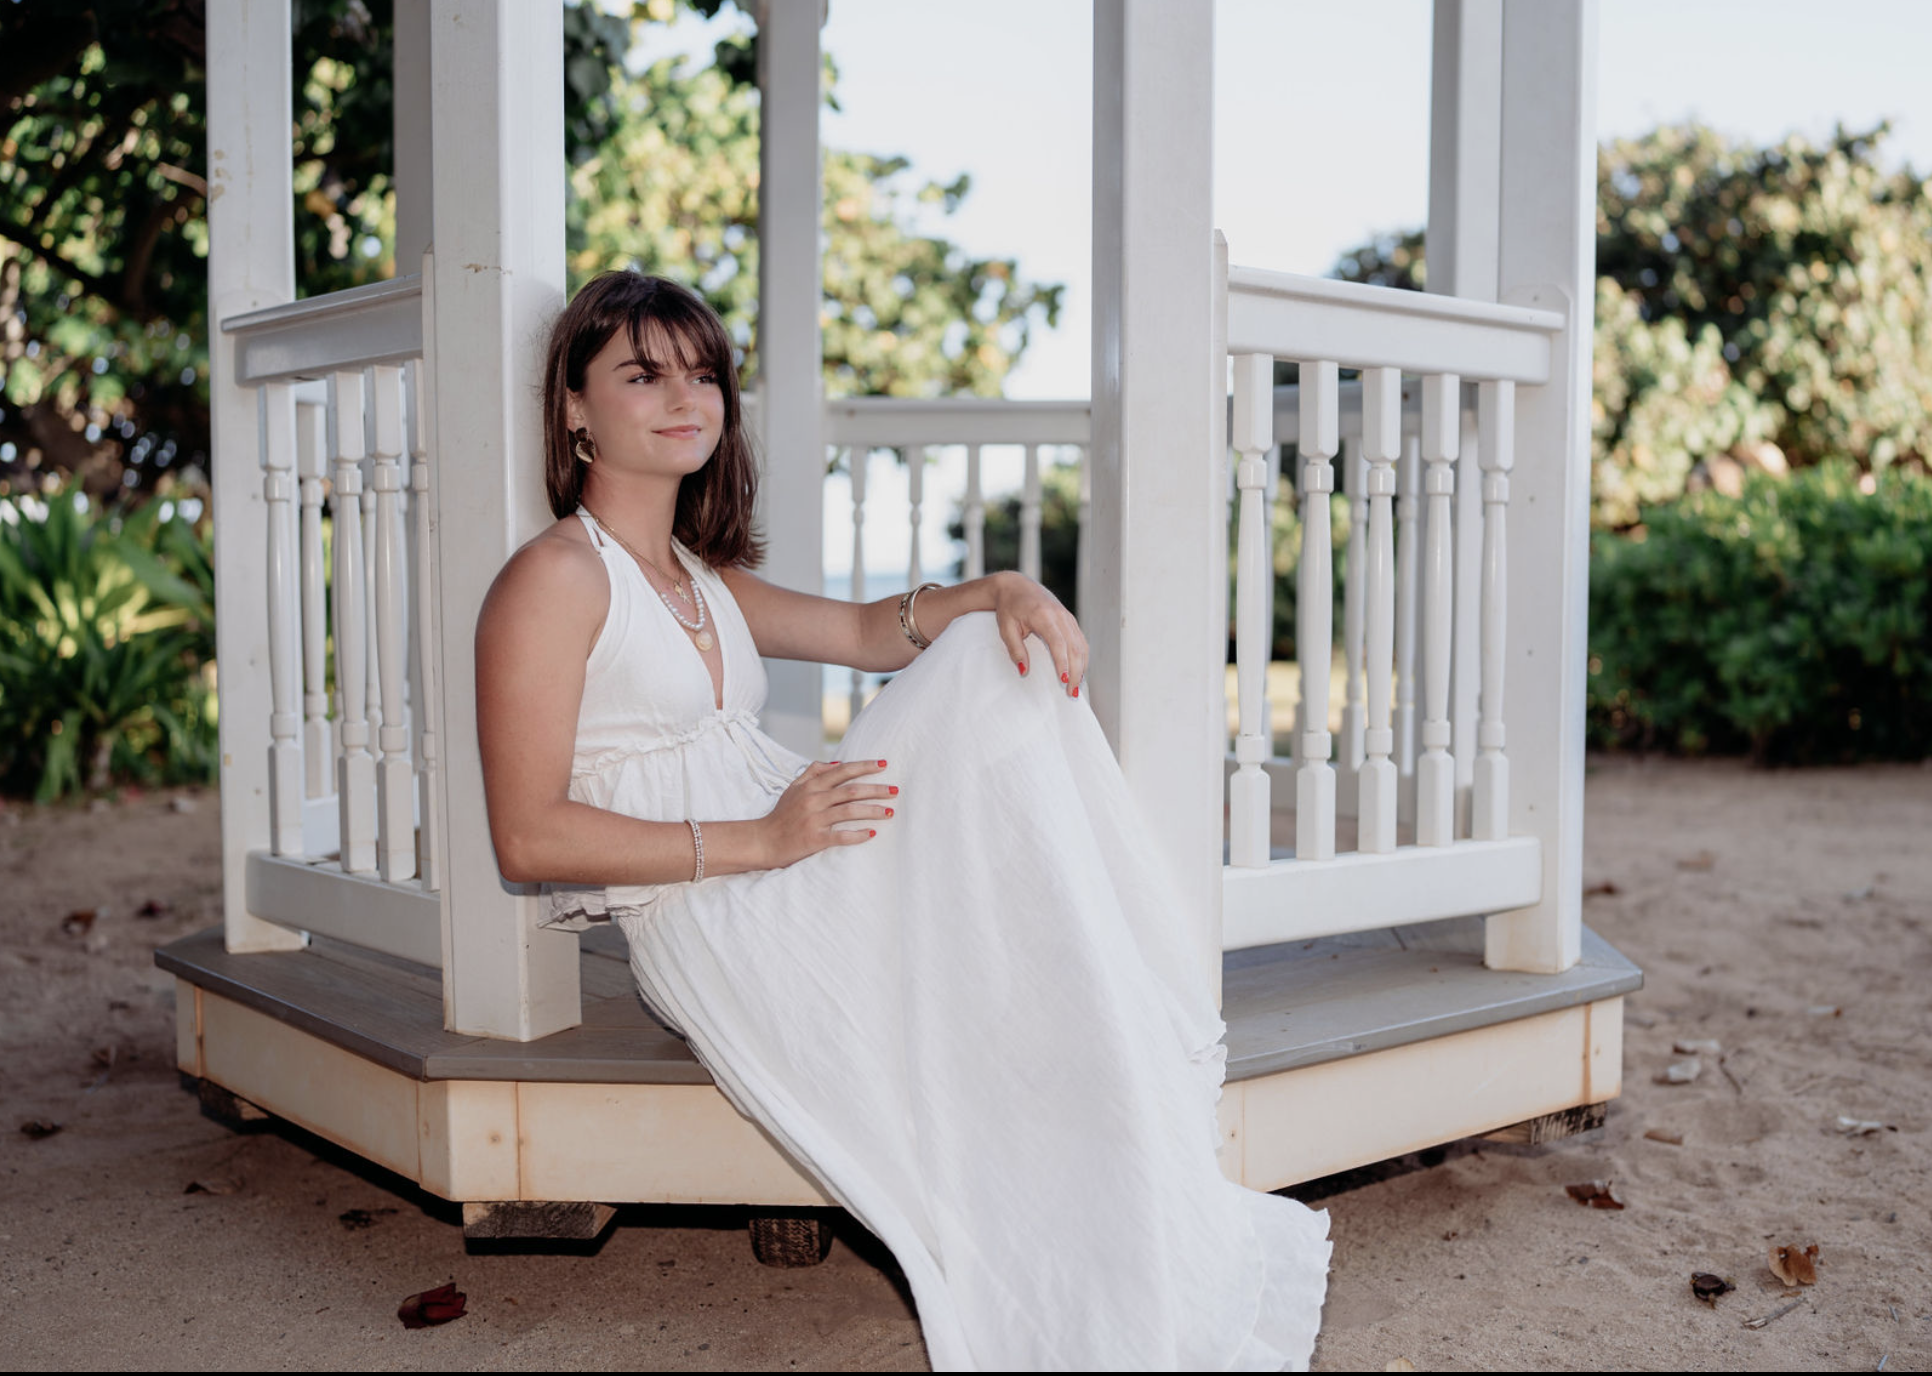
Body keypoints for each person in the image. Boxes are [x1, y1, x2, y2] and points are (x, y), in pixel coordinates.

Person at [475, 271, 1331, 1371]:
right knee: (989, 835)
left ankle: (1118, 1038)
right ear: (575, 408)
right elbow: (529, 835)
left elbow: (877, 630)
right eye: (643, 373)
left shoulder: (697, 577)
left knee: (987, 657)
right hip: (719, 903)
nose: (684, 395)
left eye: (703, 372)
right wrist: (760, 841)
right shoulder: (553, 579)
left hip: (789, 847)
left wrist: (1003, 587)